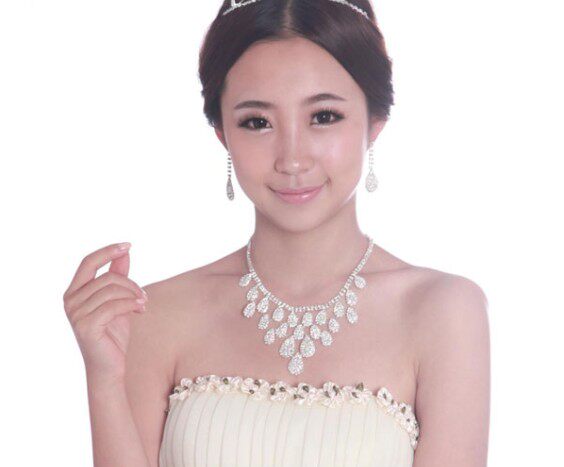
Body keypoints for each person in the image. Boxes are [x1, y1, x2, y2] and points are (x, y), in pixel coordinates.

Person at [63, 1, 490, 466]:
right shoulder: (156, 313)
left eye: (323, 116)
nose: (292, 159)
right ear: (223, 134)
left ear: (374, 123)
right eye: (257, 122)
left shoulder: (443, 311)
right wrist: (104, 381)